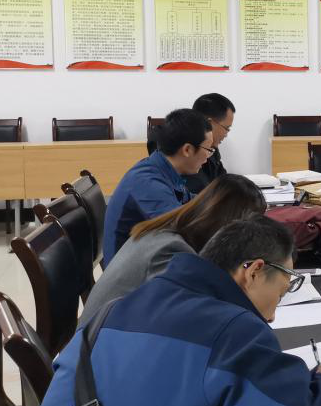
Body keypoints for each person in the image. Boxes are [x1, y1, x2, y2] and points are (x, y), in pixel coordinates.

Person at [41, 217, 321, 406]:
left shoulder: (110, 312)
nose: (272, 317)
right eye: (280, 294)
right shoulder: (236, 333)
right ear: (253, 271)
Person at [81, 174, 265, 321]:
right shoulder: (171, 252)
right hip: (99, 350)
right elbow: (189, 317)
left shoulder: (164, 232)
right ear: (229, 224)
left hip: (107, 339)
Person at [101, 108, 212, 267]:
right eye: (208, 150)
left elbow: (192, 203)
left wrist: (222, 203)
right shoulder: (147, 181)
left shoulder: (162, 168)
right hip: (130, 273)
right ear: (187, 149)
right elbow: (181, 230)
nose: (208, 157)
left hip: (145, 260)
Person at [185, 93, 235, 194]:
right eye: (226, 128)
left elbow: (224, 181)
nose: (226, 134)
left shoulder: (212, 147)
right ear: (209, 123)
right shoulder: (187, 152)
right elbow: (201, 193)